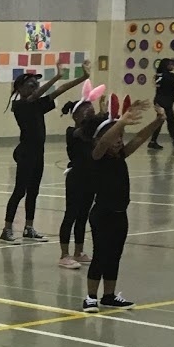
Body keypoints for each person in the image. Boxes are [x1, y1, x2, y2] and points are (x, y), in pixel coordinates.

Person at [79, 101, 166, 312]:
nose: (118, 141)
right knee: (100, 253)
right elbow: (103, 142)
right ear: (100, 139)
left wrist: (158, 121)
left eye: (120, 138)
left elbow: (139, 137)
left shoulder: (121, 156)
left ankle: (108, 296)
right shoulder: (97, 156)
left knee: (114, 255)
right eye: (114, 138)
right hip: (102, 214)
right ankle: (90, 297)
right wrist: (120, 123)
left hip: (120, 214)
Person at [1, 61, 90, 243]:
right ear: (20, 88)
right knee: (20, 191)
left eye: (37, 83)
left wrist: (83, 77)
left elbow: (61, 90)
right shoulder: (19, 105)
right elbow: (38, 94)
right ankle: (7, 229)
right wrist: (57, 76)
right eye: (31, 84)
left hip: (38, 153)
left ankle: (29, 227)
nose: (35, 86)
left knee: (33, 191)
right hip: (26, 152)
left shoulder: (37, 104)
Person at [57, 80, 105, 269]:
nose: (90, 113)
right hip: (76, 177)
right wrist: (100, 115)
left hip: (90, 178)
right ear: (75, 115)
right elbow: (85, 130)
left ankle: (78, 251)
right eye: (86, 111)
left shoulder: (92, 132)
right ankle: (64, 255)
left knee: (83, 215)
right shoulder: (73, 132)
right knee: (71, 214)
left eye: (91, 110)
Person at [148, 58, 174, 150]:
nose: (172, 66)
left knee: (160, 121)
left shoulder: (157, 75)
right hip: (167, 102)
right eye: (170, 64)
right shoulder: (172, 76)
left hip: (158, 101)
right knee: (169, 121)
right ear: (166, 65)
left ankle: (153, 141)